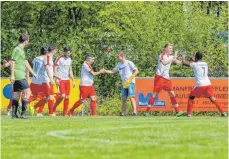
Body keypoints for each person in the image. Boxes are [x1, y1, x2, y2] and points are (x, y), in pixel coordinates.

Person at [182, 51, 227, 117]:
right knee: (212, 98)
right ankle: (223, 113)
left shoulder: (195, 64)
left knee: (191, 97)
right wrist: (194, 59)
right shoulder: (205, 63)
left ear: (196, 57)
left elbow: (184, 63)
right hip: (208, 83)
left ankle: (189, 114)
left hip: (200, 84)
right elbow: (198, 63)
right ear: (201, 57)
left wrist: (183, 57)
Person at [145, 44, 185, 117]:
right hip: (159, 77)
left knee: (172, 93)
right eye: (170, 48)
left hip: (167, 78)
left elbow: (179, 63)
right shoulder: (162, 55)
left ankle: (177, 111)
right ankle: (147, 111)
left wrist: (182, 58)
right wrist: (172, 59)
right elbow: (164, 62)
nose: (171, 50)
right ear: (165, 49)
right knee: (155, 94)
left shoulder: (171, 57)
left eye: (172, 49)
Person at [104, 51, 139, 116]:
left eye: (118, 57)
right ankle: (123, 113)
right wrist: (105, 71)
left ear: (122, 56)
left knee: (131, 97)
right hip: (124, 83)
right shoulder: (119, 64)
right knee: (124, 98)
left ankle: (134, 112)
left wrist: (130, 79)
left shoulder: (129, 62)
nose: (117, 58)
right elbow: (112, 71)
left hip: (131, 82)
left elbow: (137, 71)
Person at [10, 33, 37, 119]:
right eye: (28, 40)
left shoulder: (21, 50)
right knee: (27, 92)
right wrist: (12, 75)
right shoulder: (17, 50)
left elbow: (26, 62)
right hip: (19, 74)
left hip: (19, 74)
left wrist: (33, 73)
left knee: (17, 94)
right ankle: (23, 113)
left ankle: (14, 115)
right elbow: (12, 62)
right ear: (25, 41)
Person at [53, 46, 76, 116]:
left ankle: (64, 114)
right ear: (64, 52)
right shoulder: (59, 58)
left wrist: (73, 80)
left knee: (67, 97)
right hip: (61, 80)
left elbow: (70, 70)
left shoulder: (70, 59)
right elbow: (55, 69)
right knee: (62, 96)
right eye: (67, 52)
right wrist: (57, 78)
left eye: (69, 53)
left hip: (67, 80)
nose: (68, 54)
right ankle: (53, 108)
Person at [29, 47, 48, 116]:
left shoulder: (35, 59)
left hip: (34, 80)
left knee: (35, 96)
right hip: (42, 81)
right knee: (47, 97)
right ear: (46, 52)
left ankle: (22, 104)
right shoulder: (45, 59)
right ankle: (38, 112)